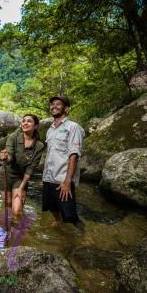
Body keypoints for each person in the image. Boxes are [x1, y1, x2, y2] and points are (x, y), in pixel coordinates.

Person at [42, 95, 85, 231]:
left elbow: (74, 154)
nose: (54, 106)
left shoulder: (73, 127)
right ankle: (58, 222)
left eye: (58, 104)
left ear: (66, 109)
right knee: (51, 207)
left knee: (70, 215)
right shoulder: (50, 130)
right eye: (52, 104)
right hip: (49, 178)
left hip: (63, 179)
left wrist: (67, 181)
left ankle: (84, 237)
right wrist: (45, 178)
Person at [0, 114, 44, 216]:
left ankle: (19, 230)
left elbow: (30, 169)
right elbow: (9, 155)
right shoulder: (13, 137)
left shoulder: (39, 146)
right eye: (24, 121)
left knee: (17, 211)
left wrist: (21, 188)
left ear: (35, 126)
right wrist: (5, 156)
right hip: (6, 175)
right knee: (8, 206)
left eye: (29, 121)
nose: (25, 123)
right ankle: (9, 230)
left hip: (20, 178)